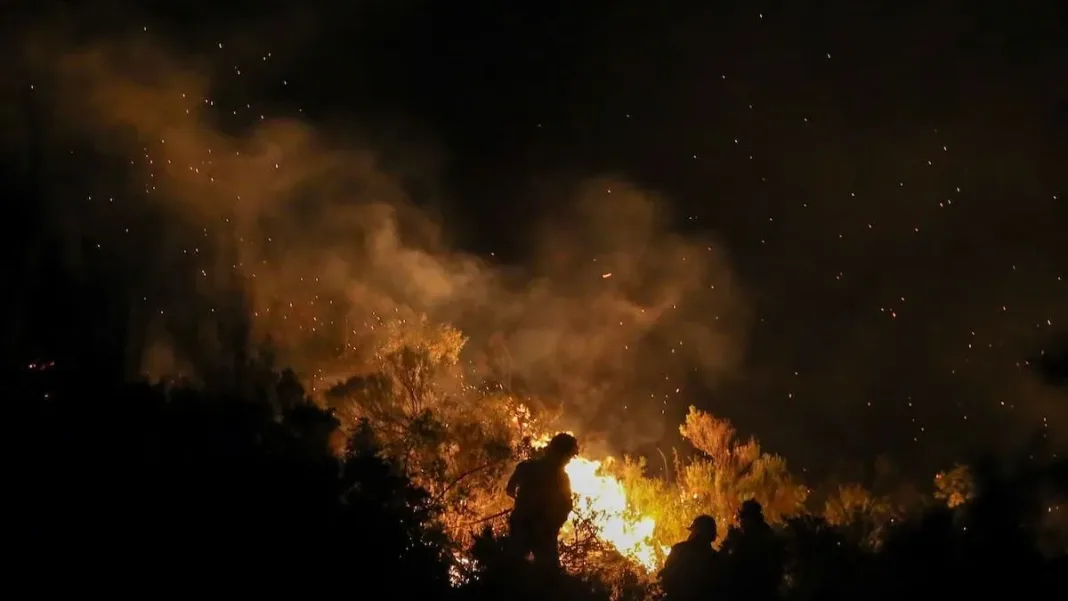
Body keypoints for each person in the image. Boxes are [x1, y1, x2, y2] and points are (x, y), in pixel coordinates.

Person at [505, 433, 579, 570]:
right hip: (543, 532)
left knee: (513, 568)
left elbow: (509, 489)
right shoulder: (561, 477)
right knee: (549, 574)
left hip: (522, 525)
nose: (568, 460)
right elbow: (566, 505)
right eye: (568, 456)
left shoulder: (526, 467)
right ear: (562, 455)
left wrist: (523, 502)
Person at [721, 500, 784, 601]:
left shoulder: (754, 540)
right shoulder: (764, 534)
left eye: (741, 517)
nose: (739, 521)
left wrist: (729, 543)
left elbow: (732, 565)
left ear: (750, 518)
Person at [659, 515, 722, 601]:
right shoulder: (716, 558)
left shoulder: (679, 549)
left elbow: (667, 575)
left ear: (696, 532)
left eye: (692, 532)